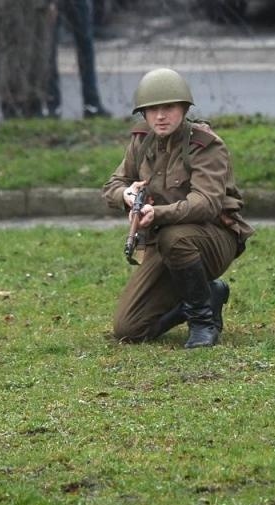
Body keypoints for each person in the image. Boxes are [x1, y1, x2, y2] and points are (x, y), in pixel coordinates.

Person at [101, 67, 253, 348]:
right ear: (143, 113)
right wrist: (126, 194)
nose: (160, 116)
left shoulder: (205, 145)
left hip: (213, 238)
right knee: (129, 328)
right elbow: (113, 184)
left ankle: (202, 322)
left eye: (169, 107)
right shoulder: (141, 141)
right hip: (165, 243)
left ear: (184, 109)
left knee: (176, 237)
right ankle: (205, 295)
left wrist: (157, 213)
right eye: (152, 109)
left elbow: (206, 204)